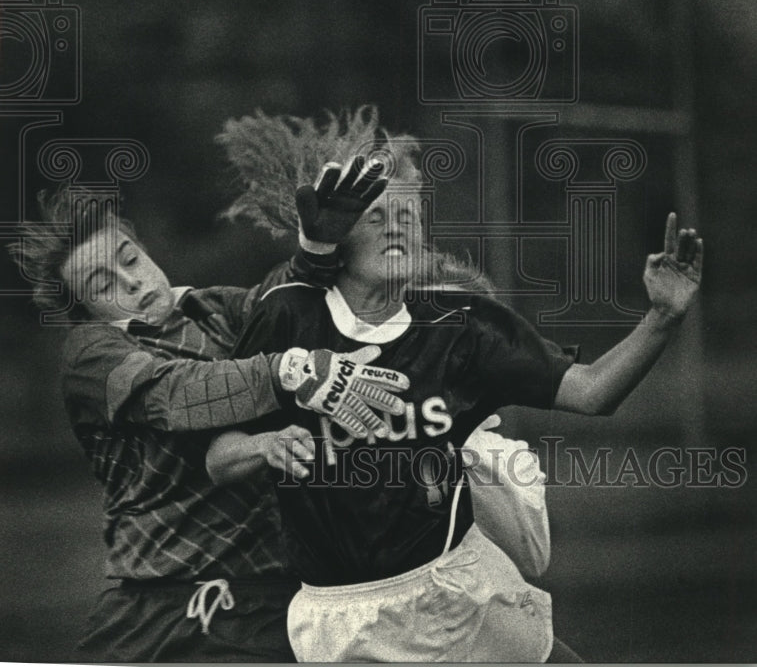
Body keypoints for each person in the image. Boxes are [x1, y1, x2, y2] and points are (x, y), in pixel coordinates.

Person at [207, 106, 703, 663]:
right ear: (337, 233)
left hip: (458, 587)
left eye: (410, 213)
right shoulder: (289, 315)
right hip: (345, 622)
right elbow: (220, 457)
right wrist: (264, 444)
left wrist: (662, 317)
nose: (398, 225)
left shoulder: (462, 327)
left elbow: (593, 393)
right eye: (376, 215)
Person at [7, 161, 409, 663]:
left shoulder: (214, 309)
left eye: (130, 259)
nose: (130, 281)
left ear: (145, 250)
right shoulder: (90, 354)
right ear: (86, 310)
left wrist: (317, 252)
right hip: (155, 610)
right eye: (102, 284)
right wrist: (285, 371)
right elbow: (175, 395)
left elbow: (284, 312)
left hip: (273, 600)